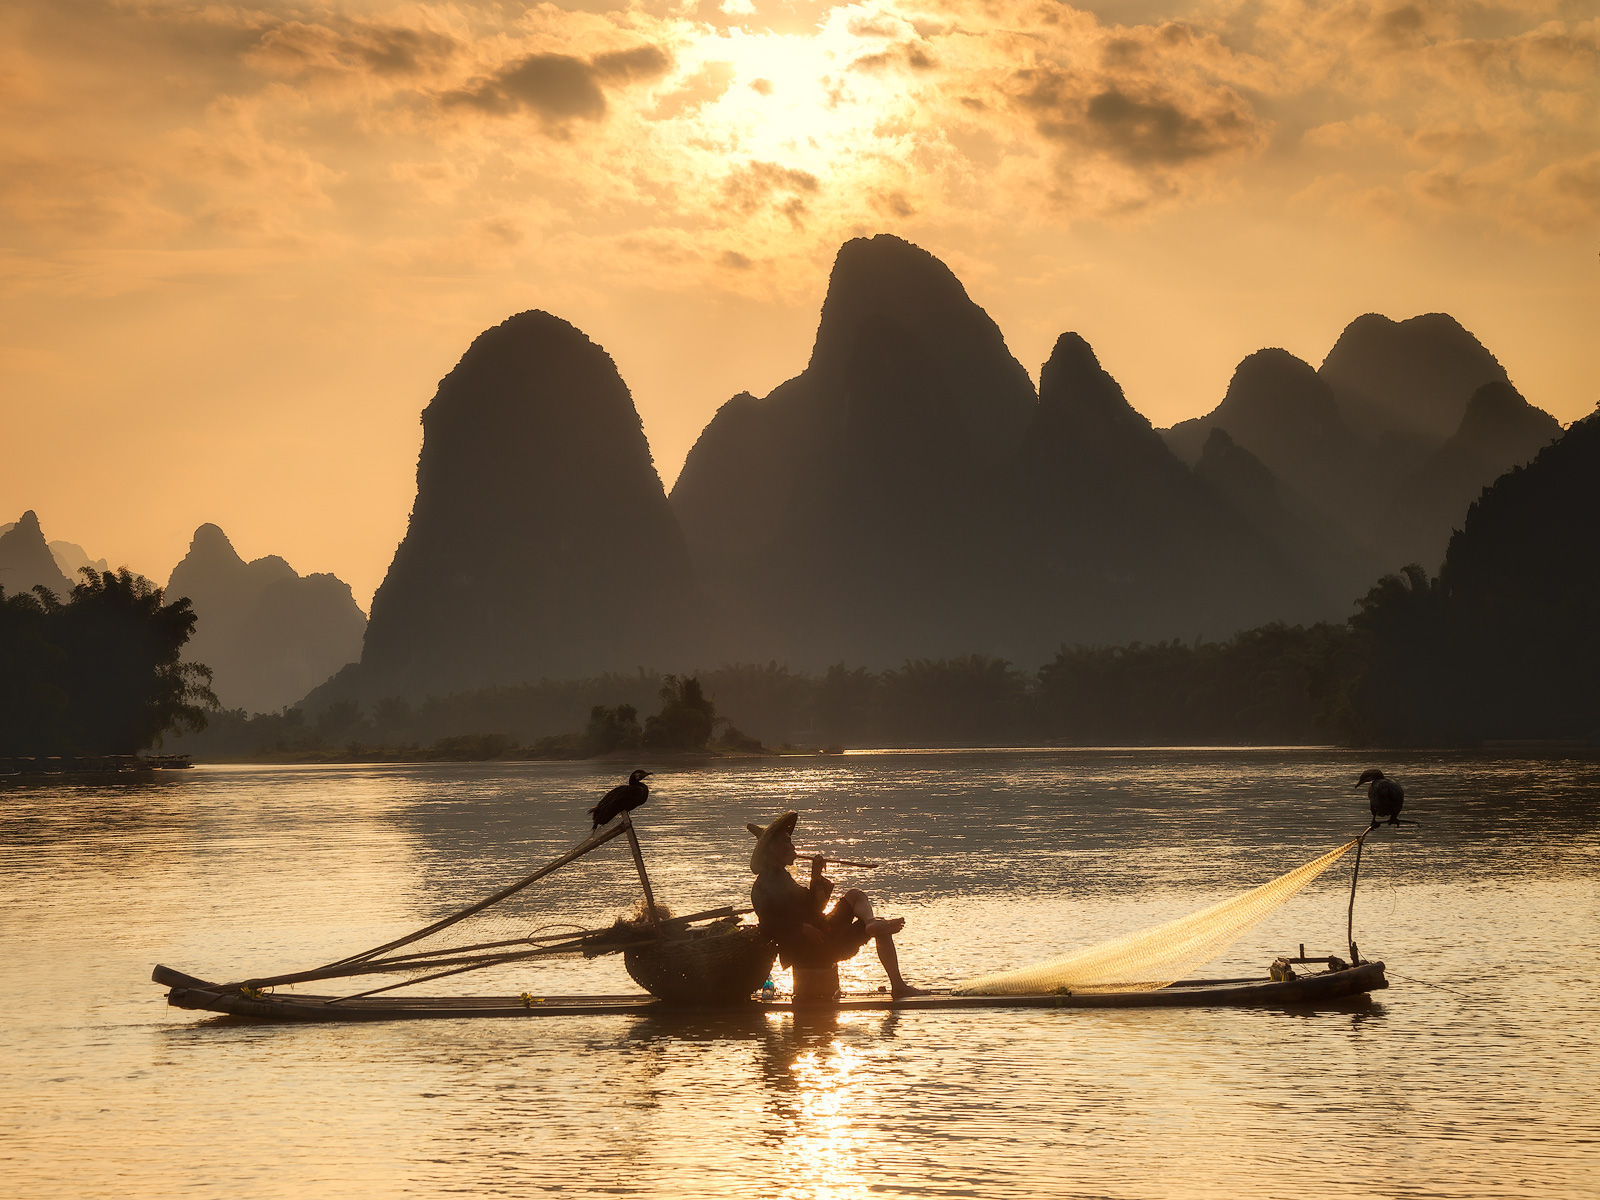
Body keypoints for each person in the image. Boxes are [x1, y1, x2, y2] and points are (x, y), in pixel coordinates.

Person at [747, 811, 929, 998]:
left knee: (855, 895)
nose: (793, 847)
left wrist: (816, 876)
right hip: (810, 947)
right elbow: (768, 924)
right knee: (883, 928)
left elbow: (812, 909)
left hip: (820, 932)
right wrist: (802, 928)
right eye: (786, 842)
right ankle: (898, 986)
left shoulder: (782, 878)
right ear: (772, 849)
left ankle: (871, 922)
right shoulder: (764, 885)